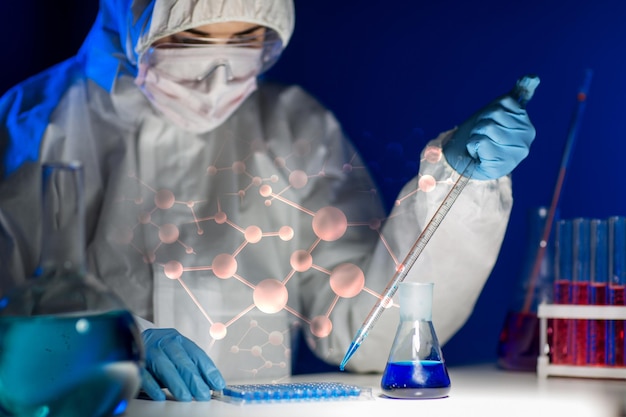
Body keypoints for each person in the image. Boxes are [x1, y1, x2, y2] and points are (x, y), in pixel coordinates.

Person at [0, 0, 535, 403]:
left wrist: (456, 187)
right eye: (190, 43)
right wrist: (112, 347)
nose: (215, 80)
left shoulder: (293, 129)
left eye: (243, 44)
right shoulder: (27, 128)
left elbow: (365, 334)